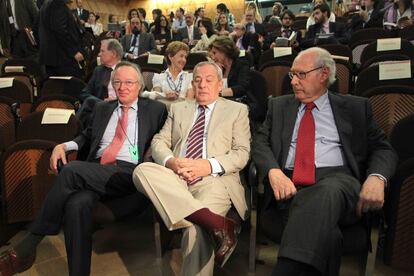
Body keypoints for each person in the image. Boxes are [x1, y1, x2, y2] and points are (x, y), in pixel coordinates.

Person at [0, 61, 168, 276]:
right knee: (76, 204)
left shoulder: (155, 109)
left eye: (129, 82)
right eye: (117, 82)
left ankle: (29, 244)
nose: (123, 87)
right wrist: (64, 145)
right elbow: (86, 137)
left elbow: (167, 139)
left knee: (70, 170)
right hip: (96, 171)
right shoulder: (103, 108)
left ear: (139, 86)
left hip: (129, 173)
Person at [252, 47, 398, 276]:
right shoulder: (279, 106)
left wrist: (376, 178)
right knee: (328, 237)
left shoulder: (355, 107)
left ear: (323, 74)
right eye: (292, 74)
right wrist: (274, 172)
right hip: (290, 187)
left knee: (327, 190)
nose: (293, 81)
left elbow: (384, 148)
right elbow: (259, 142)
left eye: (301, 74)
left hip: (339, 183)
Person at [133, 61, 250, 275]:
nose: (202, 85)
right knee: (141, 171)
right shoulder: (178, 108)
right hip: (176, 177)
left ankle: (207, 223)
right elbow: (159, 141)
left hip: (214, 181)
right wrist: (171, 161)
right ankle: (217, 223)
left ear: (219, 84)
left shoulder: (237, 110)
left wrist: (207, 165)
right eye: (197, 80)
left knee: (196, 230)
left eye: (208, 80)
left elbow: (242, 153)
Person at [76, 38, 122, 127]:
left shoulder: (128, 70)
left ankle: (73, 128)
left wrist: (116, 100)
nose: (99, 54)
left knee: (89, 101)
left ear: (113, 53)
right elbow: (84, 93)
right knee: (90, 101)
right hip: (100, 109)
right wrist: (100, 102)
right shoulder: (99, 70)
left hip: (120, 108)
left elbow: (138, 94)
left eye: (102, 51)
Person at [39, 0, 84, 78]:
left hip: (50, 58)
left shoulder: (45, 5)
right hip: (63, 58)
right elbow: (59, 30)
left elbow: (36, 28)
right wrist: (74, 52)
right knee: (74, 86)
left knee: (55, 88)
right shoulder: (58, 3)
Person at [208, 36, 250, 101]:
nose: (212, 57)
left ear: (224, 51)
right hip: (221, 101)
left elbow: (242, 88)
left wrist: (218, 93)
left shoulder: (242, 64)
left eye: (214, 53)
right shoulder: (217, 67)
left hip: (238, 101)